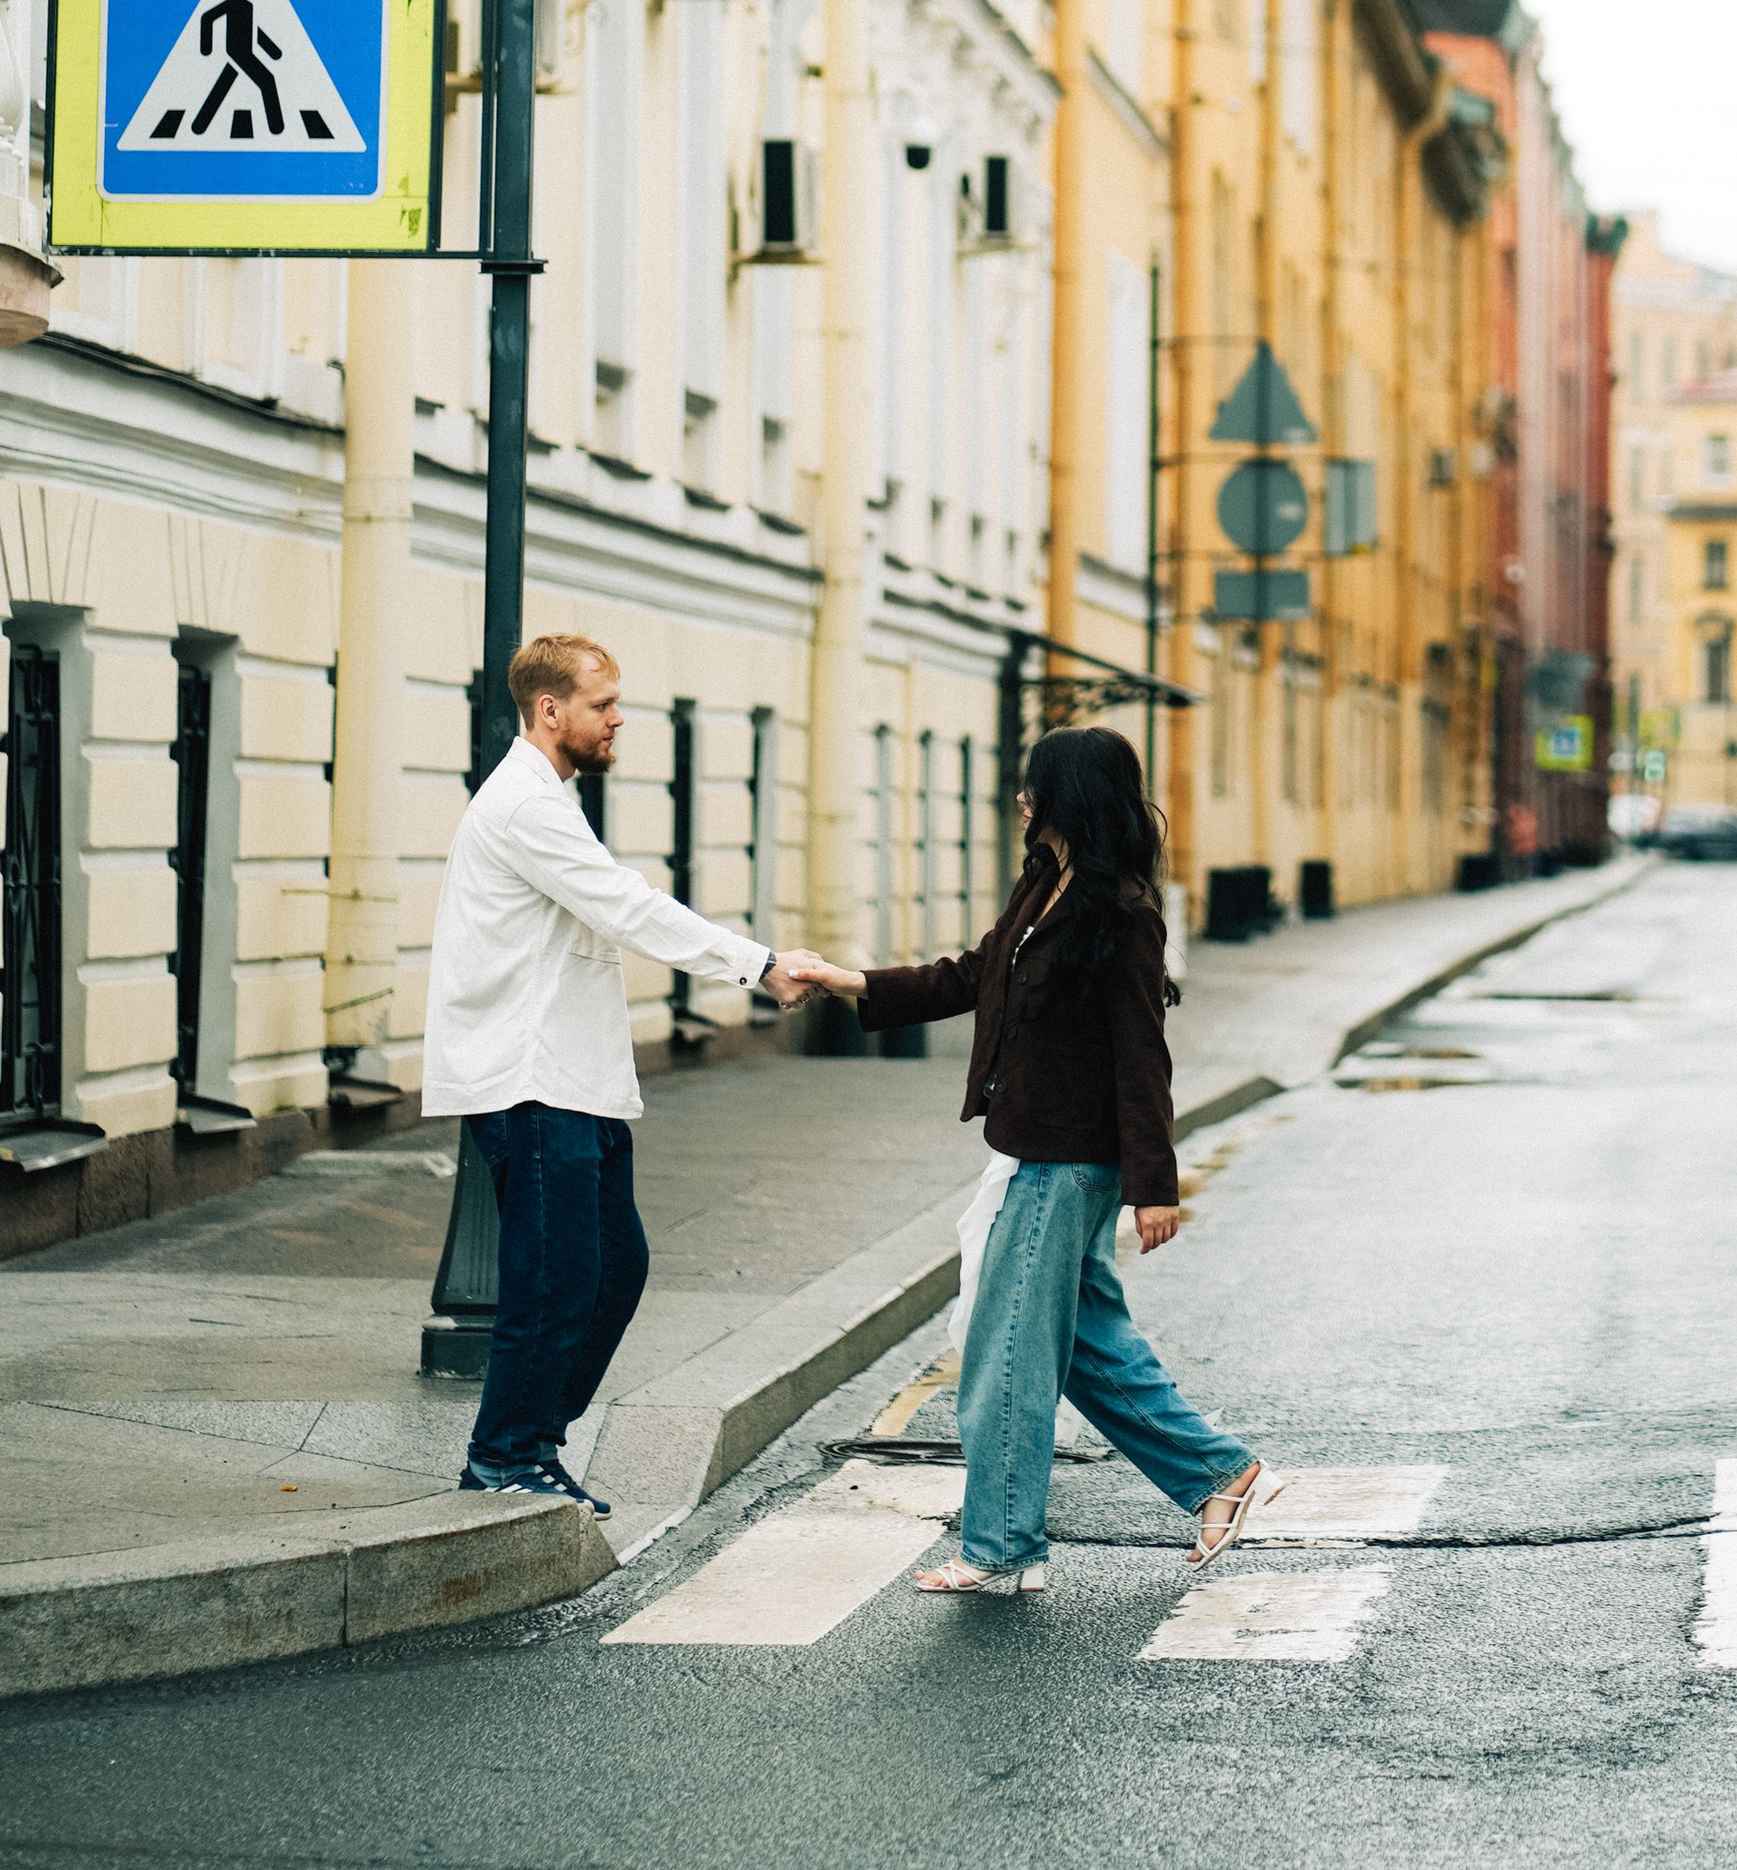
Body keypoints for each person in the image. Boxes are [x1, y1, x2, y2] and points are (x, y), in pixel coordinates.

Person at [804, 726, 1272, 1597]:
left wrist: (1153, 1188)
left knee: (1006, 1356)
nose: (1022, 799)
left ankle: (1001, 1548)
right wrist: (850, 982)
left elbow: (1143, 1054)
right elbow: (970, 976)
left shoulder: (1122, 914)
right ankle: (1221, 1476)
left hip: (1068, 1163)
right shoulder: (1044, 887)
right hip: (1031, 1150)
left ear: (1070, 799)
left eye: (1036, 787)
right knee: (1089, 1348)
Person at [423, 631, 824, 1511]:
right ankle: (505, 1453)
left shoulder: (552, 799)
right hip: (530, 1080)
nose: (617, 720)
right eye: (603, 706)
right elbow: (626, 907)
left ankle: (532, 1438)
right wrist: (757, 965)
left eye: (616, 704)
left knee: (613, 1265)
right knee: (554, 1276)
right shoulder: (524, 806)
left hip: (573, 1077)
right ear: (549, 710)